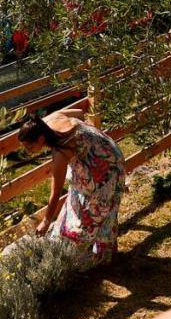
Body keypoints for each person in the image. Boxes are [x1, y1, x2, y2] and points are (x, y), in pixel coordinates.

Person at [17, 109, 126, 264]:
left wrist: (46, 221)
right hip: (106, 147)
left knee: (98, 209)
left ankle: (96, 254)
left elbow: (55, 193)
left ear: (41, 139)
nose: (27, 152)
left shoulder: (61, 152)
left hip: (107, 165)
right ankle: (83, 247)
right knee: (78, 195)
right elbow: (80, 112)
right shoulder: (49, 120)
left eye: (29, 147)